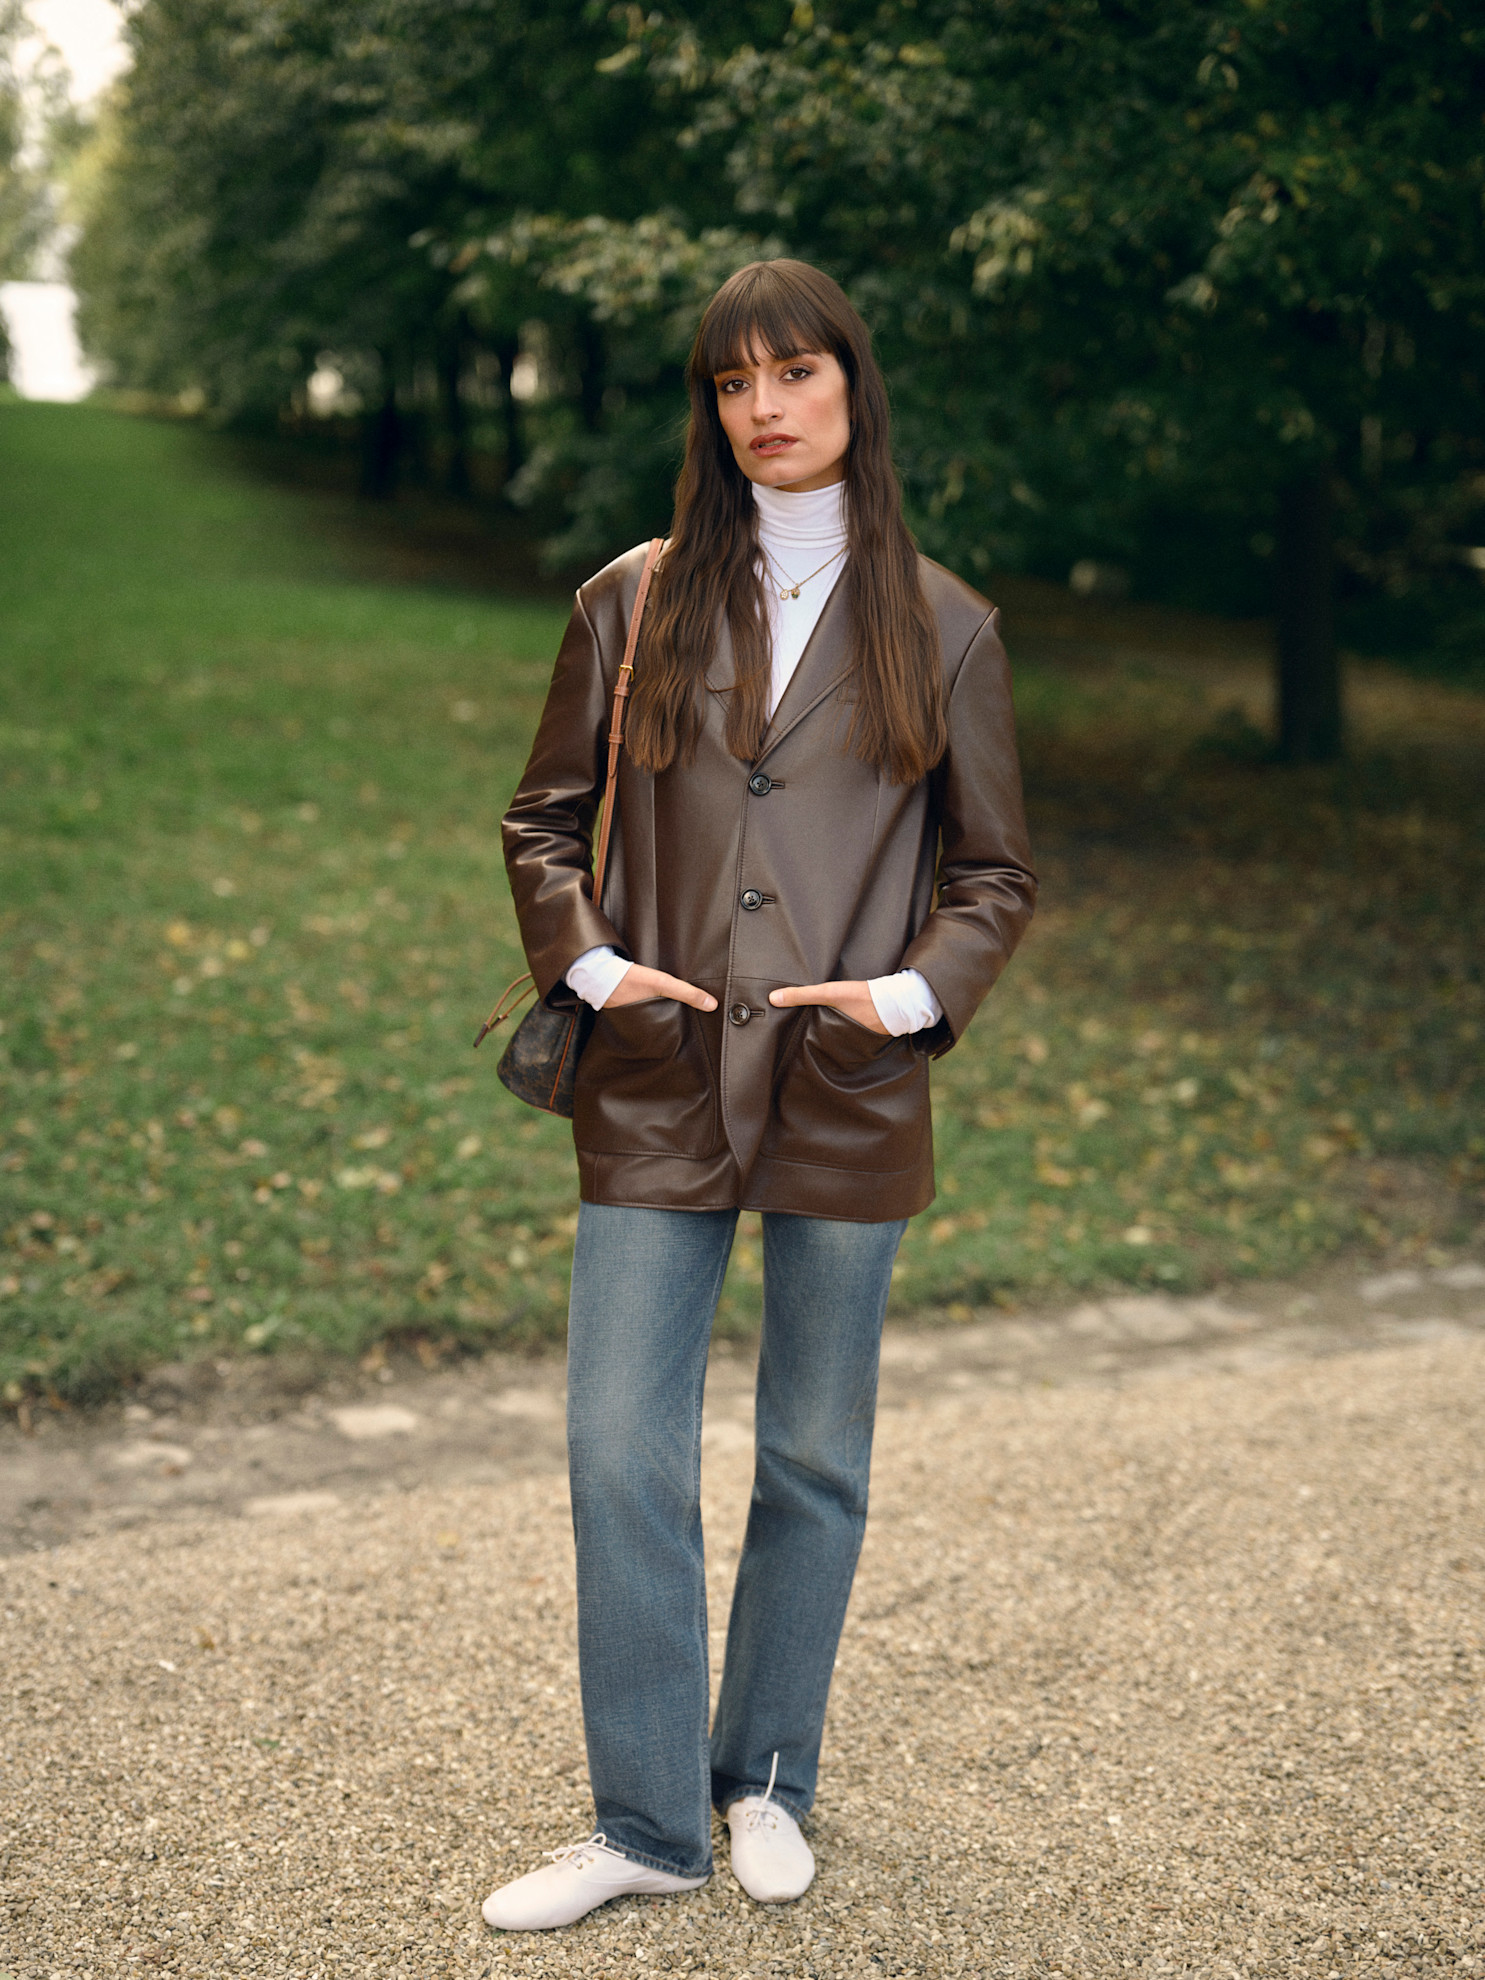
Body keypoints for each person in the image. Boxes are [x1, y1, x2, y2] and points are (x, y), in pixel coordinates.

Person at [485, 258, 1036, 1933]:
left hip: (845, 1084)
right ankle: (648, 1823)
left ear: (853, 387)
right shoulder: (629, 600)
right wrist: (591, 965)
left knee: (810, 1453)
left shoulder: (944, 623)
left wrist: (906, 998)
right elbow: (541, 819)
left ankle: (769, 1780)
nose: (763, 408)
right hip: (656, 1078)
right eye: (731, 383)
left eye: (794, 372)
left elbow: (992, 873)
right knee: (616, 1446)